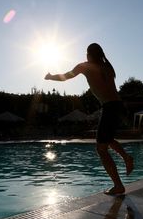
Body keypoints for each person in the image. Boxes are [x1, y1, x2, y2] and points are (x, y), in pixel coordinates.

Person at [44, 43, 134, 195]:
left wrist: (50, 76)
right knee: (108, 139)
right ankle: (126, 157)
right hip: (118, 106)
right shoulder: (108, 66)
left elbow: (66, 77)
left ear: (89, 54)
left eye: (87, 53)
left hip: (110, 107)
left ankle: (118, 185)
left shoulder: (85, 66)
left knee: (101, 148)